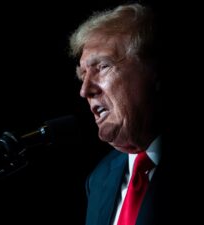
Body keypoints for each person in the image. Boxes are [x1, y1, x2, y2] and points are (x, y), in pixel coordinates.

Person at [69, 3, 171, 225]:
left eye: (103, 67)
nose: (85, 90)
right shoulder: (98, 180)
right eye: (83, 75)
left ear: (155, 70)